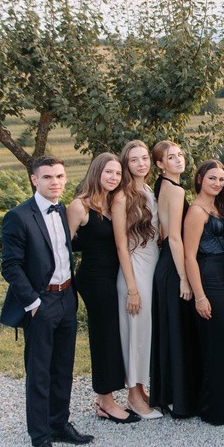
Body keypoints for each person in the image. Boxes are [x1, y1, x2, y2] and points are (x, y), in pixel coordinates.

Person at [0, 156, 93, 447]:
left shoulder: (64, 210)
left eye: (60, 176)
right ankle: (40, 439)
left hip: (67, 297)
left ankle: (59, 423)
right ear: (34, 180)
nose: (55, 182)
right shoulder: (18, 216)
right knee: (39, 372)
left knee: (64, 367)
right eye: (48, 177)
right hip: (41, 303)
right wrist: (33, 302)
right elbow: (10, 266)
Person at [67, 153, 138, 425]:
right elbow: (63, 246)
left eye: (118, 174)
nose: (113, 177)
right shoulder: (80, 206)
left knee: (112, 334)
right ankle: (106, 402)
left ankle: (105, 397)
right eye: (109, 172)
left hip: (111, 277)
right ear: (96, 172)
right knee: (104, 336)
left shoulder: (110, 205)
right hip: (94, 279)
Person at [183, 160, 224, 426]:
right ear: (200, 179)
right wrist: (200, 296)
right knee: (217, 343)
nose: (217, 183)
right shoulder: (195, 211)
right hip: (207, 275)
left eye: (220, 179)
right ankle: (212, 408)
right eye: (211, 178)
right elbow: (189, 257)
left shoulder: (221, 207)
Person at [112, 140, 162, 420]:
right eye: (134, 159)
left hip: (153, 264)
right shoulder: (122, 196)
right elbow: (121, 244)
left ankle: (142, 388)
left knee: (147, 333)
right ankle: (133, 395)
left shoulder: (148, 190)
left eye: (144, 158)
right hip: (134, 268)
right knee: (135, 333)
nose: (141, 163)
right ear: (126, 164)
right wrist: (132, 288)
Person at [150, 140, 199, 418]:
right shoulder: (176, 190)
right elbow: (175, 237)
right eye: (171, 157)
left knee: (170, 329)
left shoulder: (163, 186)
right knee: (176, 331)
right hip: (173, 264)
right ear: (160, 164)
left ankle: (168, 395)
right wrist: (184, 277)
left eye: (180, 155)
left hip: (166, 263)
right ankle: (176, 398)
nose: (179, 160)